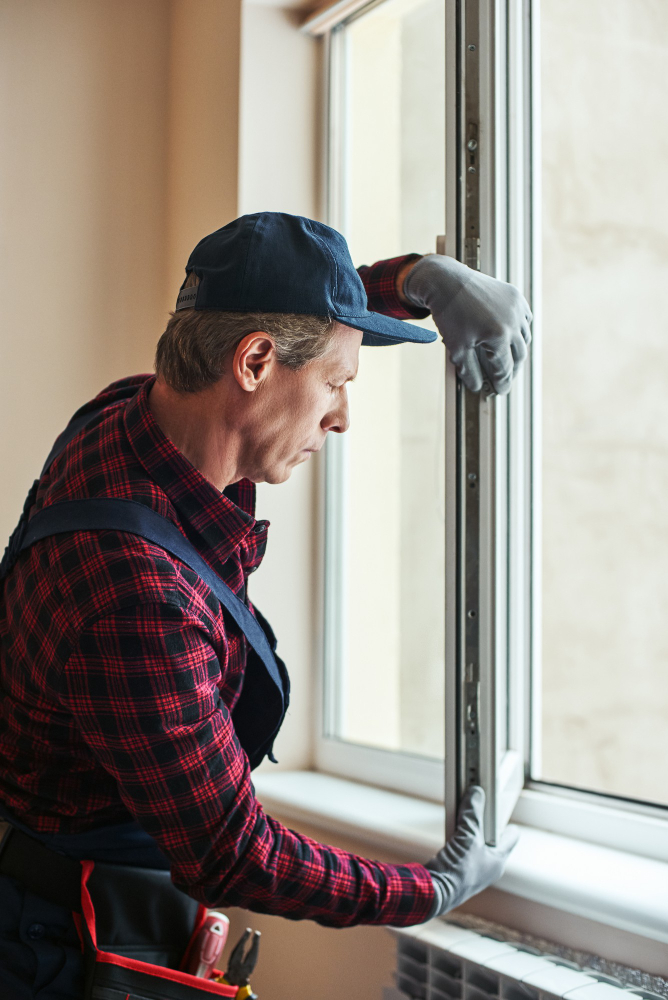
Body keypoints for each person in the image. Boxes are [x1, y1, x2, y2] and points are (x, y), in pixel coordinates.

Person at [0, 212, 529, 999]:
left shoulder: (125, 418)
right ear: (253, 363)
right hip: (63, 946)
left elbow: (279, 308)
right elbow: (233, 853)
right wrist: (432, 891)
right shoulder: (137, 594)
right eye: (338, 383)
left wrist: (419, 281)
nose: (343, 416)